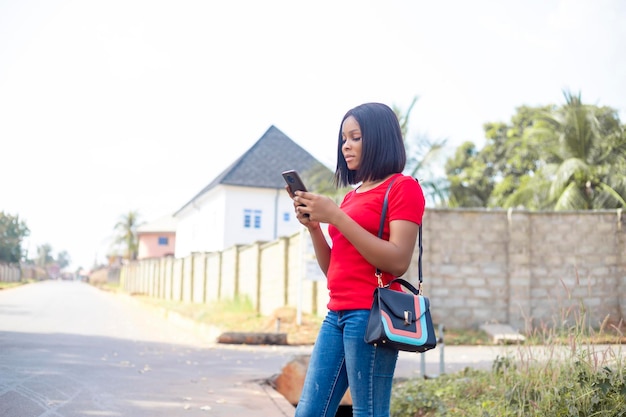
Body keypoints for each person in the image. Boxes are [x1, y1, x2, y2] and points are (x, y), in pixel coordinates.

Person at [288, 102, 426, 417]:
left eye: (356, 137)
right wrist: (315, 228)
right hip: (335, 314)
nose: (346, 146)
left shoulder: (403, 188)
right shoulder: (353, 195)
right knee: (309, 412)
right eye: (343, 139)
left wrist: (336, 216)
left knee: (369, 412)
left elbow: (397, 260)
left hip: (371, 315)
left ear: (378, 139)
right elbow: (335, 270)